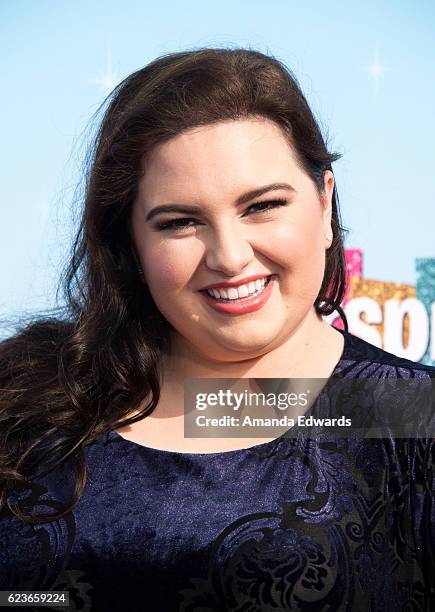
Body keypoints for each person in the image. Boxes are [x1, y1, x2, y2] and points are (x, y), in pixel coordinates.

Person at [0, 47, 434, 611]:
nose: (229, 258)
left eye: (262, 206)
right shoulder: (25, 406)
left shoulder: (411, 417)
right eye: (181, 222)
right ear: (130, 241)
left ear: (325, 202)